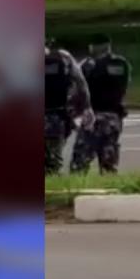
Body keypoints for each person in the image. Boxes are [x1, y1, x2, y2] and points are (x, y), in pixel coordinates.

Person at [70, 33, 131, 175]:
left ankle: (77, 188)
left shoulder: (88, 65)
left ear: (97, 46)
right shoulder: (121, 63)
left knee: (80, 160)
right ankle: (109, 189)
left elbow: (79, 87)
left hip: (93, 116)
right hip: (113, 117)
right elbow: (124, 86)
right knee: (109, 159)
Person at [44, 39, 91, 176]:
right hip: (56, 117)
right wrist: (85, 107)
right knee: (53, 161)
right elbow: (81, 84)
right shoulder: (63, 57)